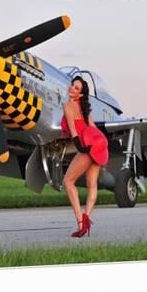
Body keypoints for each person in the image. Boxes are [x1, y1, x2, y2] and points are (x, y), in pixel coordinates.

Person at [61, 76, 109, 238]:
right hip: (96, 145)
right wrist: (102, 143)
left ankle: (81, 223)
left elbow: (74, 132)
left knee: (68, 181)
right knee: (91, 184)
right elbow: (93, 127)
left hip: (87, 147)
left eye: (76, 88)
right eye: (72, 85)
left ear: (80, 94)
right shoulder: (84, 109)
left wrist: (83, 147)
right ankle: (87, 217)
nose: (71, 88)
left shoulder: (68, 106)